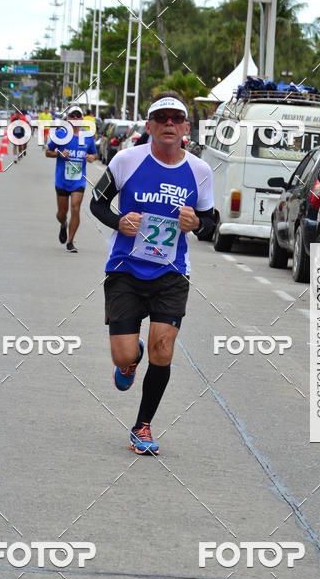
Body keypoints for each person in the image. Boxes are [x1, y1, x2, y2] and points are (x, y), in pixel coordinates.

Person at [90, 91, 216, 455]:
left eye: (176, 119)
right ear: (149, 126)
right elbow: (99, 201)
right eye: (161, 119)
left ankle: (142, 426)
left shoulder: (200, 171)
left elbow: (211, 221)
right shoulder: (126, 160)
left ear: (186, 128)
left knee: (164, 349)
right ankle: (131, 359)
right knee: (124, 355)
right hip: (125, 269)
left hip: (171, 272)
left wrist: (198, 223)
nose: (169, 125)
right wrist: (119, 221)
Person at [45, 105, 97, 253]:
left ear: (82, 119)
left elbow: (94, 154)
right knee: (62, 213)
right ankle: (63, 225)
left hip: (78, 180)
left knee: (76, 207)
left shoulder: (87, 136)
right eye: (72, 116)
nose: (75, 118)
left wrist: (91, 157)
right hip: (62, 179)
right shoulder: (61, 134)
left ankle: (70, 241)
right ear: (67, 118)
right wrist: (59, 154)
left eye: (78, 116)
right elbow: (48, 152)